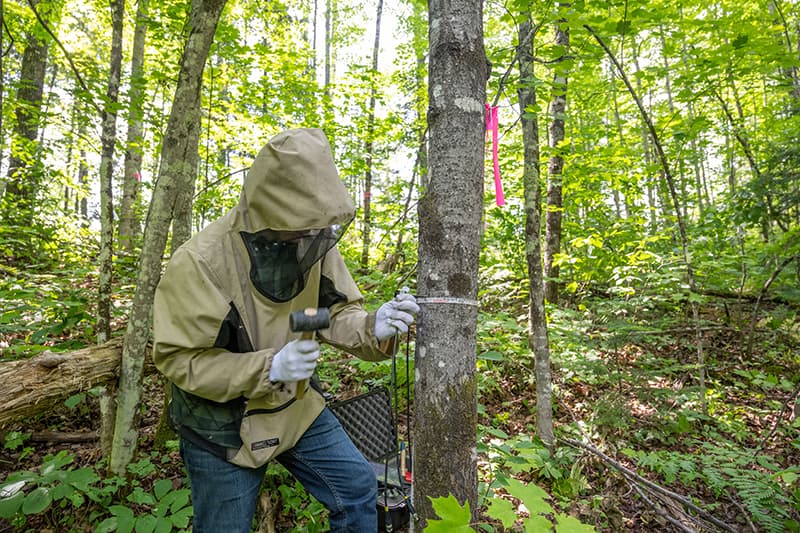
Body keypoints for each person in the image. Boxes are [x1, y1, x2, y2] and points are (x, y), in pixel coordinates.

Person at [152, 128, 419, 532]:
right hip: (221, 428)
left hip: (295, 407)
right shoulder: (201, 262)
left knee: (357, 487)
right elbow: (179, 359)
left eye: (316, 227)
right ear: (273, 213)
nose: (312, 236)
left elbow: (316, 315)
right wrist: (270, 367)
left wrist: (372, 326)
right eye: (302, 226)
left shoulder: (310, 239)